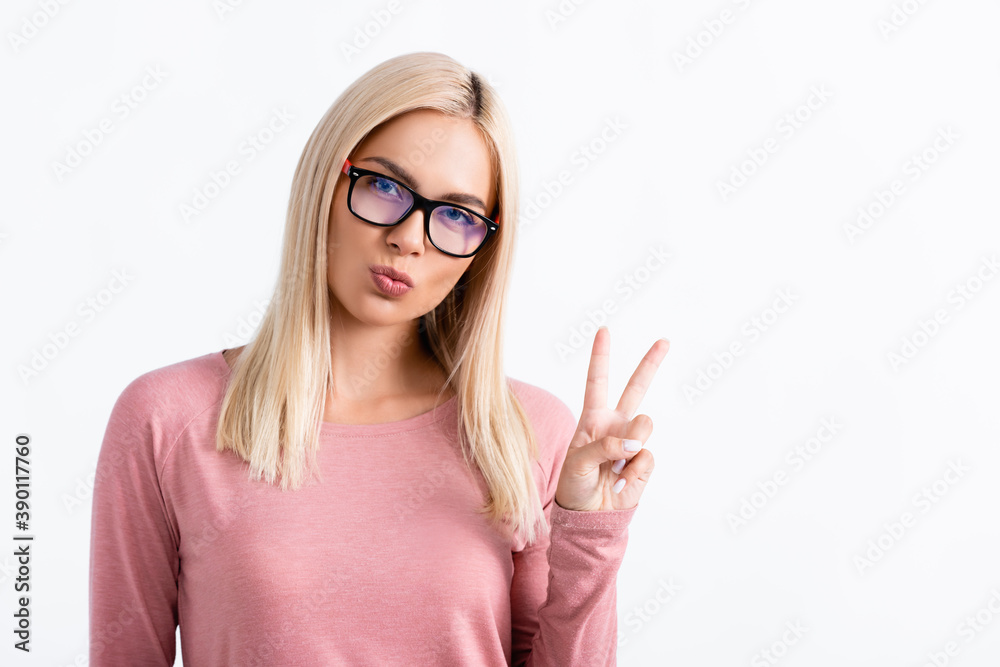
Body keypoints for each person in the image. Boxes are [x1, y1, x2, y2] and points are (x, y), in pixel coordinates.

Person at [88, 51, 668, 666]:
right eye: (385, 187)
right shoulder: (166, 420)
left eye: (455, 214)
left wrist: (591, 536)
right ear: (326, 180)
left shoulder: (529, 433)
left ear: (483, 247)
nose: (409, 238)